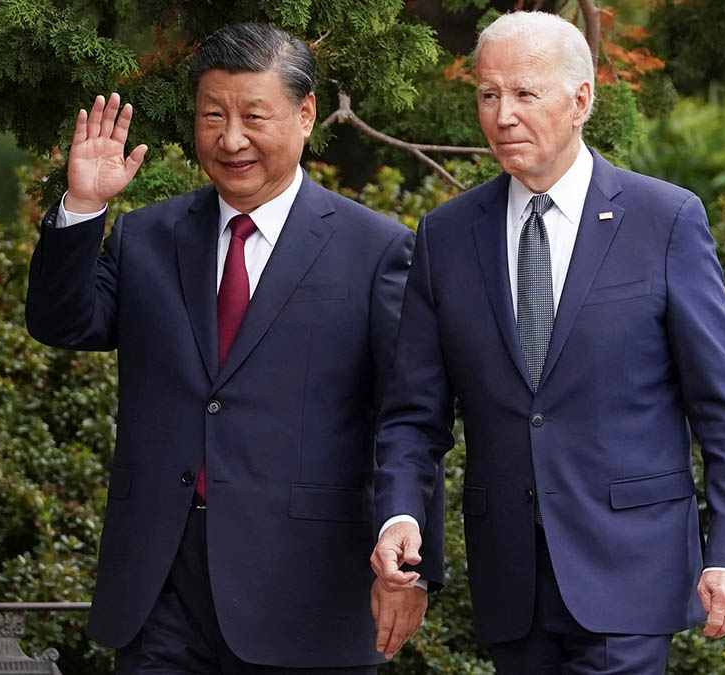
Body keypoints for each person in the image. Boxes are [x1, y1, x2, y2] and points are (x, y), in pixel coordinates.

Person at [26, 22, 442, 674]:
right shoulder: (147, 238)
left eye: (253, 115)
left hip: (307, 594)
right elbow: (61, 322)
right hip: (161, 585)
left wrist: (412, 557)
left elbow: (409, 417)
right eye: (212, 116)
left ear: (306, 115)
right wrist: (82, 205)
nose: (231, 138)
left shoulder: (377, 251)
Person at [369, 11, 725, 674]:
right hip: (511, 584)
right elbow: (414, 414)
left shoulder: (664, 220)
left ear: (581, 99)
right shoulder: (446, 235)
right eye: (488, 95)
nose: (502, 115)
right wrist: (400, 518)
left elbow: (724, 408)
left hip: (631, 572)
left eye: (524, 94)